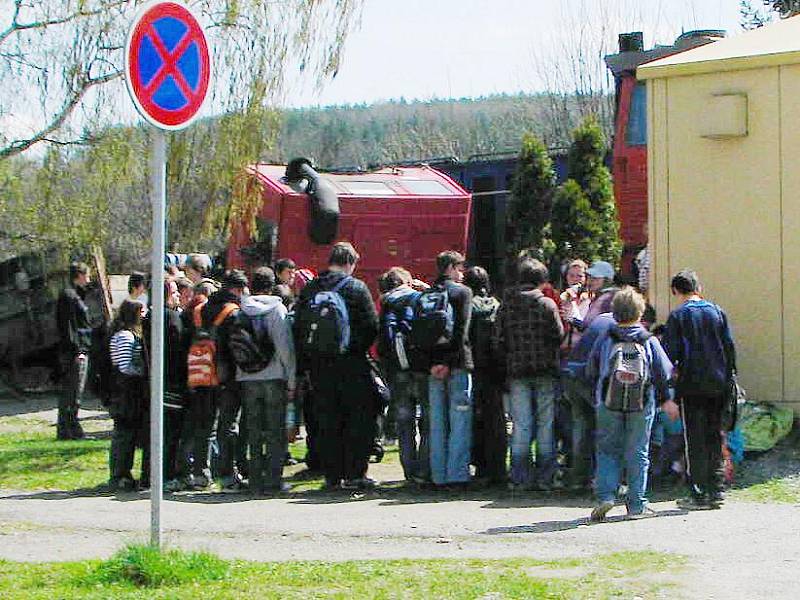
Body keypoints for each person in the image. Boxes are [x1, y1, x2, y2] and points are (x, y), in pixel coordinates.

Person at [295, 242, 379, 490]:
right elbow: (371, 326)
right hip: (352, 364)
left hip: (319, 366)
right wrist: (356, 348)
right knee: (357, 419)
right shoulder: (356, 288)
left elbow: (298, 328)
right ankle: (354, 474)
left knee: (327, 420)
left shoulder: (311, 288)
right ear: (350, 263)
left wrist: (307, 363)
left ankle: (331, 476)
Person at [586, 287, 673, 521]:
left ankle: (605, 495)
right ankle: (636, 504)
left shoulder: (605, 338)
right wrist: (665, 400)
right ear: (640, 312)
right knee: (638, 452)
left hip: (607, 400)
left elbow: (591, 369)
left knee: (607, 449)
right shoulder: (648, 339)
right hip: (641, 402)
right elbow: (663, 373)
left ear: (614, 312)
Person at [662, 270, 736, 510]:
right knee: (715, 435)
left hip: (692, 385)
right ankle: (717, 490)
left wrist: (668, 385)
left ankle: (699, 492)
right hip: (719, 383)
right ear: (699, 288)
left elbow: (668, 355)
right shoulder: (717, 312)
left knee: (694, 438)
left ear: (676, 291)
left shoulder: (678, 316)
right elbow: (729, 348)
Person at [494, 258, 563, 490]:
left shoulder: (506, 305)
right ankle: (545, 477)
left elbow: (498, 340)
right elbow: (558, 335)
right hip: (545, 370)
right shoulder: (546, 304)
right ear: (541, 281)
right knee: (546, 423)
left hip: (516, 371)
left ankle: (520, 477)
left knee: (521, 424)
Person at [235, 267, 296, 494]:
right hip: (274, 376)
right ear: (272, 285)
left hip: (247, 376)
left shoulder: (242, 309)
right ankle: (273, 479)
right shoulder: (276, 309)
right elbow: (284, 348)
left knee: (253, 430)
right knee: (274, 431)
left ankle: (255, 479)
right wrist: (291, 379)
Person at [377, 266, 430, 482]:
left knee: (404, 422)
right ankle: (425, 469)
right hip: (420, 366)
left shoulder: (386, 304)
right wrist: (426, 289)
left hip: (397, 370)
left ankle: (409, 472)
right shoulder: (419, 298)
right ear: (407, 282)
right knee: (427, 420)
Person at [426, 251, 473, 487]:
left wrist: (434, 363)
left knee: (436, 421)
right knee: (459, 420)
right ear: (452, 268)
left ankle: (438, 475)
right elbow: (461, 331)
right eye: (460, 268)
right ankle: (457, 474)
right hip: (457, 364)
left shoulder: (426, 293)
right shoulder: (462, 293)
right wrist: (449, 361)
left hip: (432, 367)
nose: (462, 273)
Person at [201, 270, 247, 491]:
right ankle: (227, 472)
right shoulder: (233, 313)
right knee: (228, 425)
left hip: (202, 371)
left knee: (205, 424)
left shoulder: (203, 308)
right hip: (228, 375)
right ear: (238, 290)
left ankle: (201, 470)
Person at [463, 266, 506, 486]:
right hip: (494, 369)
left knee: (473, 419)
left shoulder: (466, 306)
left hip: (473, 368)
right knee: (496, 419)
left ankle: (479, 466)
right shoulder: (496, 305)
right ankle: (497, 467)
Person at [108, 300, 149, 491]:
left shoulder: (124, 334)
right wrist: (142, 372)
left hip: (126, 391)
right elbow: (124, 366)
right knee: (124, 435)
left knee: (126, 435)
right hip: (126, 392)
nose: (144, 314)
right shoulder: (125, 336)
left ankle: (121, 473)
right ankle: (120, 474)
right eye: (142, 311)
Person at [55, 262, 93, 440]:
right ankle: (69, 428)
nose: (89, 279)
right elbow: (69, 326)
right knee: (73, 391)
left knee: (74, 391)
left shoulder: (74, 295)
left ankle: (69, 427)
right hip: (75, 352)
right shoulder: (69, 297)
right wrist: (78, 350)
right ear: (79, 275)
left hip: (78, 349)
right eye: (87, 275)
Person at [581, 261, 619, 329]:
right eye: (589, 277)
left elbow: (588, 323)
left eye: (595, 278)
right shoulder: (601, 296)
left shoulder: (607, 298)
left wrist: (573, 319)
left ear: (607, 280)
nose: (590, 281)